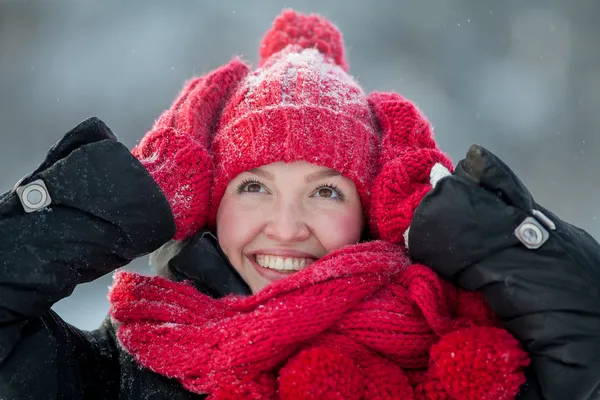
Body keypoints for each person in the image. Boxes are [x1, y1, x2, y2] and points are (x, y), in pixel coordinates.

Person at [0, 8, 598, 400]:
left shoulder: (467, 359)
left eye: (326, 191)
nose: (285, 228)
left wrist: (443, 216)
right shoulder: (122, 371)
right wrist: (133, 194)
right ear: (207, 202)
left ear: (373, 211)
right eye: (253, 186)